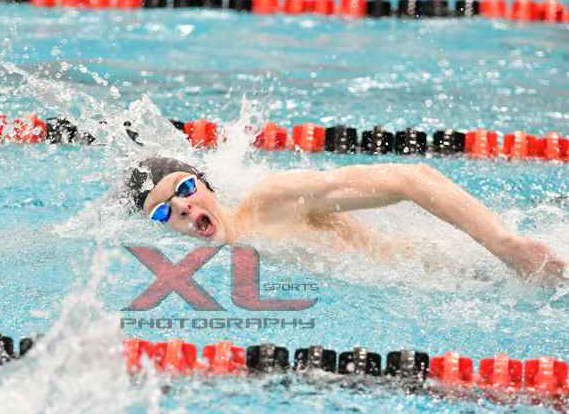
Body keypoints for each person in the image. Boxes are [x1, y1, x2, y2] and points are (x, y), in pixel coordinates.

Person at [125, 156, 566, 285]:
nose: (182, 207)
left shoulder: (272, 202)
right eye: (163, 211)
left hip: (470, 273)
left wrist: (506, 246)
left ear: (207, 185)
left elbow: (410, 178)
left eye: (185, 188)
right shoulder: (221, 267)